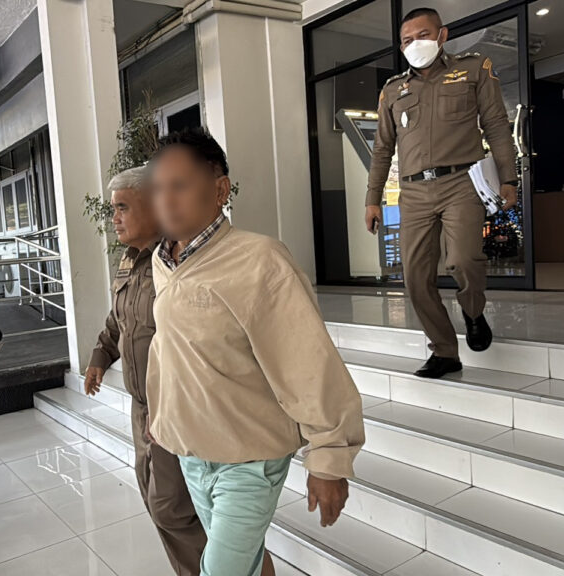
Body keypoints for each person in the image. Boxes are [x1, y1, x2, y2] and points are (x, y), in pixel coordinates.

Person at [146, 129, 365, 576]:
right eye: (157, 188)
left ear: (220, 190)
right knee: (246, 561)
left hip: (249, 458)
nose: (166, 200)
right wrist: (162, 416)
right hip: (192, 453)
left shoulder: (259, 260)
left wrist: (329, 457)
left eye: (180, 185)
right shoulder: (163, 260)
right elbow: (170, 349)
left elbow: (307, 361)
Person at [364, 7, 518, 379]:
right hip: (414, 191)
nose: (414, 44)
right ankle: (445, 351)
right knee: (415, 277)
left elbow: (496, 125)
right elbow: (382, 149)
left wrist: (508, 179)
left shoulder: (474, 69)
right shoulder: (393, 90)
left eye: (423, 35)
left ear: (442, 35)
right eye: (407, 40)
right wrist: (372, 199)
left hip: (461, 183)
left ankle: (473, 310)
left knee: (463, 260)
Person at [85, 167, 206, 576]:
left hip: (173, 407)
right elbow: (119, 319)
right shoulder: (130, 260)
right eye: (113, 209)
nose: (114, 218)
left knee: (171, 507)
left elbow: (193, 342)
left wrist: (167, 406)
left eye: (122, 208)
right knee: (155, 500)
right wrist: (100, 356)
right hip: (142, 409)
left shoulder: (177, 261)